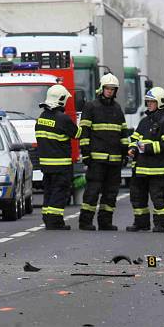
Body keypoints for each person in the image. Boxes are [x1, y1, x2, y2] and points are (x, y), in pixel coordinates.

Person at [78, 73, 130, 231]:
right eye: (107, 88)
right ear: (102, 88)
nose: (110, 91)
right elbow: (84, 131)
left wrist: (125, 152)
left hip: (114, 160)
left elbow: (123, 133)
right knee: (92, 191)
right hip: (96, 159)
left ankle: (105, 222)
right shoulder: (91, 107)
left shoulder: (117, 108)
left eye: (112, 89)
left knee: (111, 193)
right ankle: (85, 222)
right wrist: (86, 153)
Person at [126, 87, 164, 233]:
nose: (148, 104)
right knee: (137, 197)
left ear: (160, 103)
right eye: (147, 101)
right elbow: (134, 139)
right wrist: (132, 148)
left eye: (152, 102)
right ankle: (141, 223)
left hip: (158, 169)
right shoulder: (144, 121)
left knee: (158, 198)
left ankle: (160, 224)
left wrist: (146, 148)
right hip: (140, 168)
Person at [35, 84, 81, 230]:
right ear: (61, 100)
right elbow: (77, 134)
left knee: (49, 191)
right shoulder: (62, 119)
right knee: (59, 192)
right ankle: (55, 221)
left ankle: (48, 219)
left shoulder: (41, 118)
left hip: (46, 165)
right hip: (61, 165)